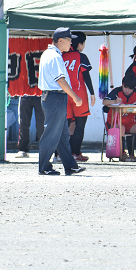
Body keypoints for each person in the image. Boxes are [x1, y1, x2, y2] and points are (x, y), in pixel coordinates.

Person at [37, 27, 86, 175]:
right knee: (51, 134)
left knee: (62, 134)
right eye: (69, 40)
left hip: (53, 97)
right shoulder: (54, 56)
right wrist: (75, 97)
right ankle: (44, 167)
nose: (71, 43)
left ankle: (70, 166)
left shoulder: (50, 53)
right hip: (55, 96)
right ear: (60, 40)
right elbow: (60, 80)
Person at [62, 31, 96, 162]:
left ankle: (60, 154)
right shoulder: (81, 57)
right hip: (79, 94)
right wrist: (92, 93)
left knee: (64, 126)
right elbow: (86, 76)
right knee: (80, 126)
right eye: (84, 43)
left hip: (64, 93)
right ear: (80, 44)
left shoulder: (61, 56)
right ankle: (76, 153)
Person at [102, 74, 136, 159]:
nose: (127, 90)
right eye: (125, 87)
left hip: (130, 124)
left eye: (130, 88)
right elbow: (104, 102)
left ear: (134, 88)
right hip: (114, 124)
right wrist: (115, 101)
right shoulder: (116, 91)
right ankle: (121, 153)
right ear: (122, 84)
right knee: (121, 128)